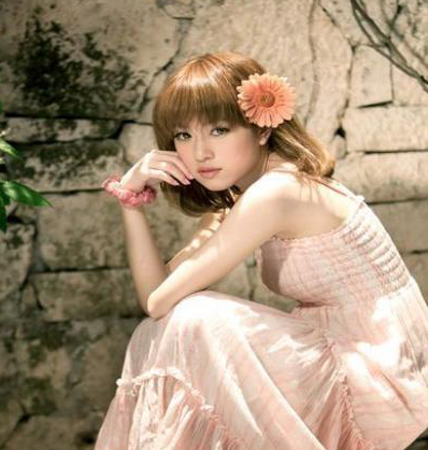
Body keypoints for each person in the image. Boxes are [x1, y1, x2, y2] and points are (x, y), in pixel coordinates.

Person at [95, 51, 428, 450]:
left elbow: (158, 301)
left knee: (195, 319)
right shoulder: (249, 195)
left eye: (219, 130)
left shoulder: (276, 192)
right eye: (184, 136)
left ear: (262, 130)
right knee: (167, 326)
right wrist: (130, 200)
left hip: (378, 371)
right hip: (341, 350)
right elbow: (158, 294)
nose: (200, 153)